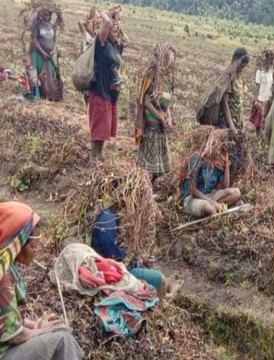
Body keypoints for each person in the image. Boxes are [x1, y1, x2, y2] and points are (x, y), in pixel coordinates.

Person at [0, 202, 84, 359]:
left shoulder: (7, 268)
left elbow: (9, 320)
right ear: (17, 245)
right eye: (33, 246)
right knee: (63, 341)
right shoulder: (2, 279)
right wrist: (43, 331)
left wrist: (36, 325)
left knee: (60, 332)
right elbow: (13, 335)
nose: (36, 251)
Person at [90, 206, 182, 299]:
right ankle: (168, 296)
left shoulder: (112, 215)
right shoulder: (108, 222)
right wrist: (137, 262)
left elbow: (120, 252)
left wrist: (141, 261)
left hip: (115, 266)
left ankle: (164, 286)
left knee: (154, 274)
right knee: (161, 280)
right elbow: (118, 261)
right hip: (112, 272)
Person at [136, 42, 177, 186]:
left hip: (161, 127)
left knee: (158, 168)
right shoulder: (152, 75)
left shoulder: (166, 79)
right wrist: (160, 117)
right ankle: (144, 191)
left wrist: (169, 119)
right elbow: (145, 101)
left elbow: (168, 105)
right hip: (152, 127)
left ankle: (149, 190)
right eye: (167, 62)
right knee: (147, 167)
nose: (168, 66)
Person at [88, 10, 123, 163]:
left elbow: (127, 40)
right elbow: (107, 23)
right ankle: (92, 156)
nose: (116, 33)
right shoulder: (100, 43)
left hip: (110, 93)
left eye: (116, 31)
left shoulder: (113, 46)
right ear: (106, 31)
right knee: (98, 125)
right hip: (99, 90)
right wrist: (103, 13)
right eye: (113, 31)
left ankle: (99, 154)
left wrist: (119, 28)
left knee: (105, 126)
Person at [180, 141, 242, 219]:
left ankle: (217, 207)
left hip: (209, 195)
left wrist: (226, 166)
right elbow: (192, 189)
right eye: (216, 149)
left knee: (236, 193)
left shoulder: (216, 164)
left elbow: (226, 187)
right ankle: (214, 208)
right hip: (192, 199)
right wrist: (214, 203)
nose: (219, 153)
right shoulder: (196, 159)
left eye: (220, 150)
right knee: (210, 208)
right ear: (209, 147)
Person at [30, 8, 62, 101]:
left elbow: (55, 40)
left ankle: (50, 93)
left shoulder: (52, 26)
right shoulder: (37, 25)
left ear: (50, 15)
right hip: (39, 55)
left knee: (52, 74)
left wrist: (53, 50)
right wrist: (42, 52)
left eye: (48, 14)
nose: (46, 16)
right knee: (39, 74)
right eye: (44, 14)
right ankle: (38, 93)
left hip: (50, 55)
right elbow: (35, 40)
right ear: (41, 15)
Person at [249, 50, 274, 132]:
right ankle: (258, 136)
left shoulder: (271, 70)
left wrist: (272, 53)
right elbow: (257, 87)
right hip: (260, 98)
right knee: (258, 121)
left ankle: (263, 137)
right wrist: (256, 100)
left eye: (270, 60)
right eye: (267, 60)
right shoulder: (259, 72)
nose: (268, 62)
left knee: (266, 120)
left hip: (268, 98)